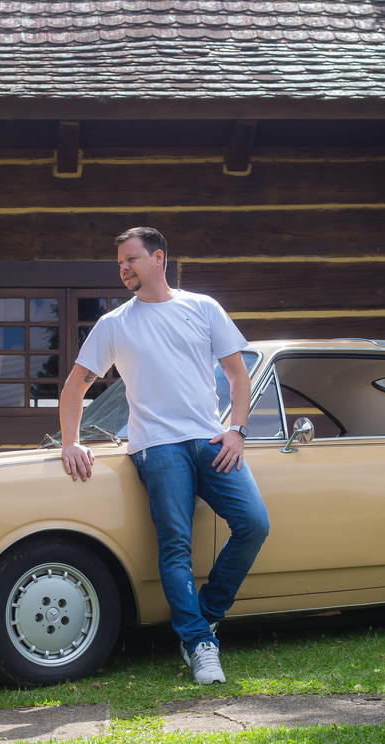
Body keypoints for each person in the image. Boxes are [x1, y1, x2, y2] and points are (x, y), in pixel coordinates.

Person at [59, 227, 270, 685]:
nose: (124, 268)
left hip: (210, 440)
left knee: (254, 523)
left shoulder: (203, 307)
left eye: (131, 259)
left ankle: (206, 615)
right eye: (119, 262)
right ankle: (198, 644)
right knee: (176, 545)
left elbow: (237, 375)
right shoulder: (114, 323)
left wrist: (236, 430)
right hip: (156, 446)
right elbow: (75, 385)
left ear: (159, 258)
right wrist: (70, 441)